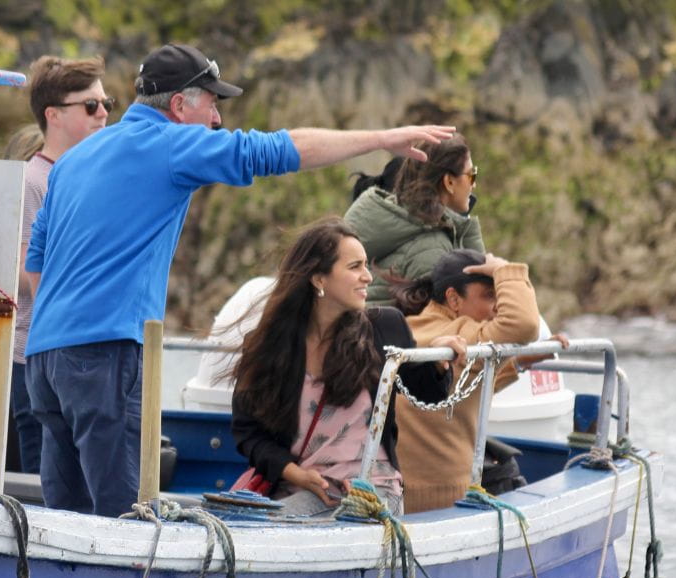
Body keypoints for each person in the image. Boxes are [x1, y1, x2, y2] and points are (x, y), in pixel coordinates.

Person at [24, 42, 458, 518]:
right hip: (104, 352)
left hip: (44, 357)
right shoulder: (171, 145)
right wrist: (380, 139)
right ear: (178, 105)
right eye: (212, 103)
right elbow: (281, 151)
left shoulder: (70, 161)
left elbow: (35, 267)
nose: (216, 119)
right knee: (124, 521)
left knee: (61, 518)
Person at [230, 219, 467, 516]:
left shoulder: (384, 327)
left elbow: (427, 391)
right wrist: (293, 473)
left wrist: (436, 360)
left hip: (372, 489)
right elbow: (248, 432)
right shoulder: (270, 345)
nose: (368, 277)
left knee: (272, 529)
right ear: (319, 279)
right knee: (246, 528)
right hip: (298, 488)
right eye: (355, 267)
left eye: (366, 265)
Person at [390, 249, 567, 513]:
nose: (497, 306)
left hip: (398, 496)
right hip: (445, 501)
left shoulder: (410, 326)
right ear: (453, 298)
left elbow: (453, 392)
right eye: (489, 295)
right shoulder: (460, 334)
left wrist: (518, 363)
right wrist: (505, 270)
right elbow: (523, 325)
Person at [8, 55, 110, 475]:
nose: (103, 113)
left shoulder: (94, 177)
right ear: (53, 115)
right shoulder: (33, 180)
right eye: (91, 105)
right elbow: (19, 271)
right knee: (43, 482)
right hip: (35, 359)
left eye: (107, 103)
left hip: (83, 358)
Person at [343, 134, 484, 306]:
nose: (474, 184)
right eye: (471, 175)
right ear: (449, 182)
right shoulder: (431, 248)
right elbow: (444, 324)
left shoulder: (401, 223)